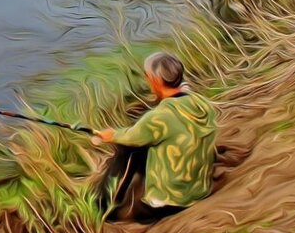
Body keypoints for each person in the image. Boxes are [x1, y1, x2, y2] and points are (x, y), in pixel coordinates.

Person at [91, 51, 217, 223]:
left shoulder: (159, 117)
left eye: (148, 76)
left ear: (156, 80)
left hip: (169, 204)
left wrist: (110, 135)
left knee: (128, 151)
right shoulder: (202, 104)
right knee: (149, 144)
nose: (147, 79)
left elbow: (131, 137)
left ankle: (103, 209)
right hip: (200, 190)